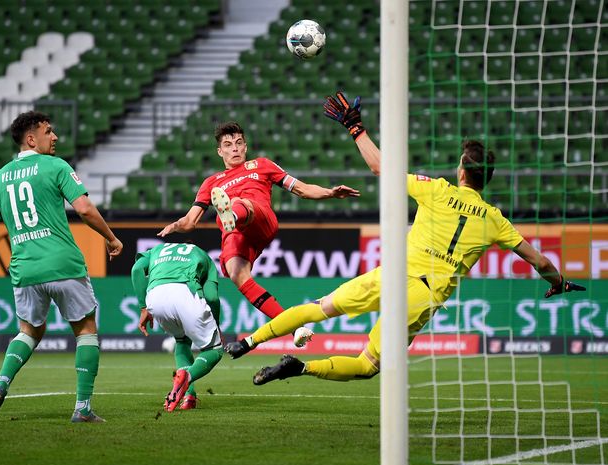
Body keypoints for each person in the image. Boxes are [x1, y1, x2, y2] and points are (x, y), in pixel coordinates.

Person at [225, 92, 586, 385]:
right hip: (422, 294)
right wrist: (560, 282)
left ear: (461, 171)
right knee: (367, 365)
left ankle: (250, 341)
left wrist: (356, 129)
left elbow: (381, 168)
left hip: (392, 274)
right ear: (485, 179)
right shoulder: (495, 220)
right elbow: (541, 262)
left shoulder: (436, 190)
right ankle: (302, 368)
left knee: (319, 308)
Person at [0, 111, 123, 422]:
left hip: (24, 270)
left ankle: (0, 386)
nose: (55, 137)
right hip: (63, 264)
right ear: (31, 139)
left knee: (29, 331)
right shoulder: (55, 166)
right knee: (85, 330)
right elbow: (85, 209)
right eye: (48, 132)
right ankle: (82, 409)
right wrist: (110, 237)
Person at [157, 121, 360, 347]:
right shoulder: (210, 183)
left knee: (238, 203)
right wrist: (177, 225)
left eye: (239, 143)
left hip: (259, 217)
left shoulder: (262, 165)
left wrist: (330, 193)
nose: (234, 148)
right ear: (220, 151)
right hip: (235, 233)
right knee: (236, 274)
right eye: (228, 144)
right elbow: (190, 221)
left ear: (245, 147)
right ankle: (295, 329)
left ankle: (232, 214)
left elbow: (301, 189)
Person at [131, 242, 223, 411]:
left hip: (155, 297)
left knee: (182, 342)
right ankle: (186, 378)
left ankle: (189, 397)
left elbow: (137, 270)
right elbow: (212, 297)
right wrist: (216, 324)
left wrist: (143, 307)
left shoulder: (157, 250)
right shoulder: (203, 255)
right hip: (186, 292)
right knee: (214, 350)